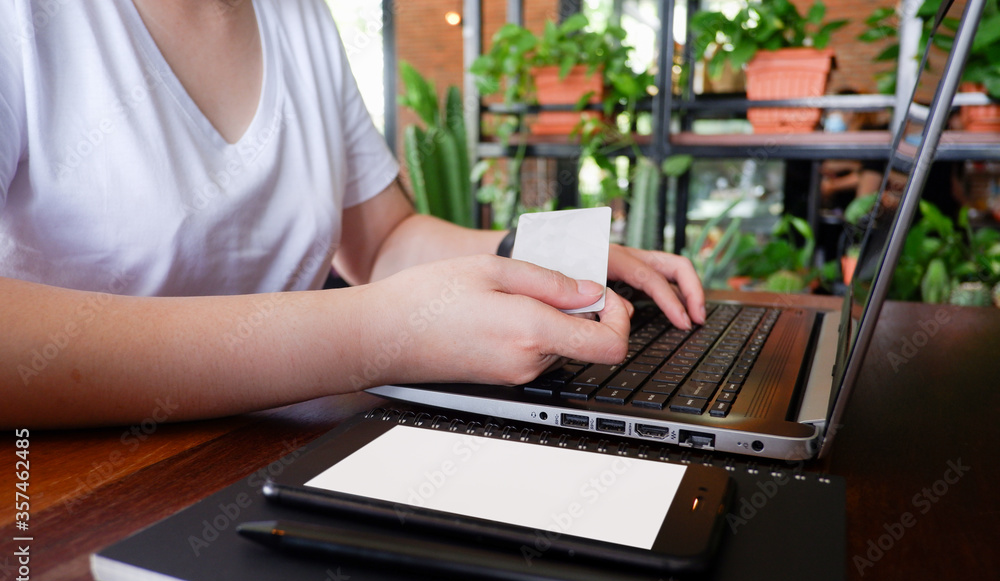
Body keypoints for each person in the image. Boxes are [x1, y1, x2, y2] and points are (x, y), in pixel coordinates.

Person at [0, 0, 704, 429]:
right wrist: (375, 332)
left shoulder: (299, 16)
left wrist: (535, 260)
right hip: (65, 498)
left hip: (276, 451)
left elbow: (386, 240)